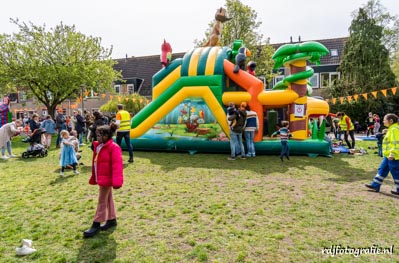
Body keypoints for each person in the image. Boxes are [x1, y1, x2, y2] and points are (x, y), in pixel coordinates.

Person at [83, 123, 123, 238]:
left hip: (107, 179)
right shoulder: (100, 146)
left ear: (107, 136)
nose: (97, 137)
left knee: (102, 201)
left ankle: (96, 224)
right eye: (97, 135)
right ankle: (112, 219)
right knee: (108, 198)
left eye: (100, 135)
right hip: (101, 176)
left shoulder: (113, 147)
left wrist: (117, 181)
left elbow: (117, 165)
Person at [365, 114, 399, 195]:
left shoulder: (394, 129)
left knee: (395, 172)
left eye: (384, 120)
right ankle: (375, 185)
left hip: (393, 156)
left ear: (390, 121)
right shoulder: (392, 129)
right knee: (382, 169)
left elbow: (396, 143)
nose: (383, 121)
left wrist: (393, 153)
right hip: (388, 155)